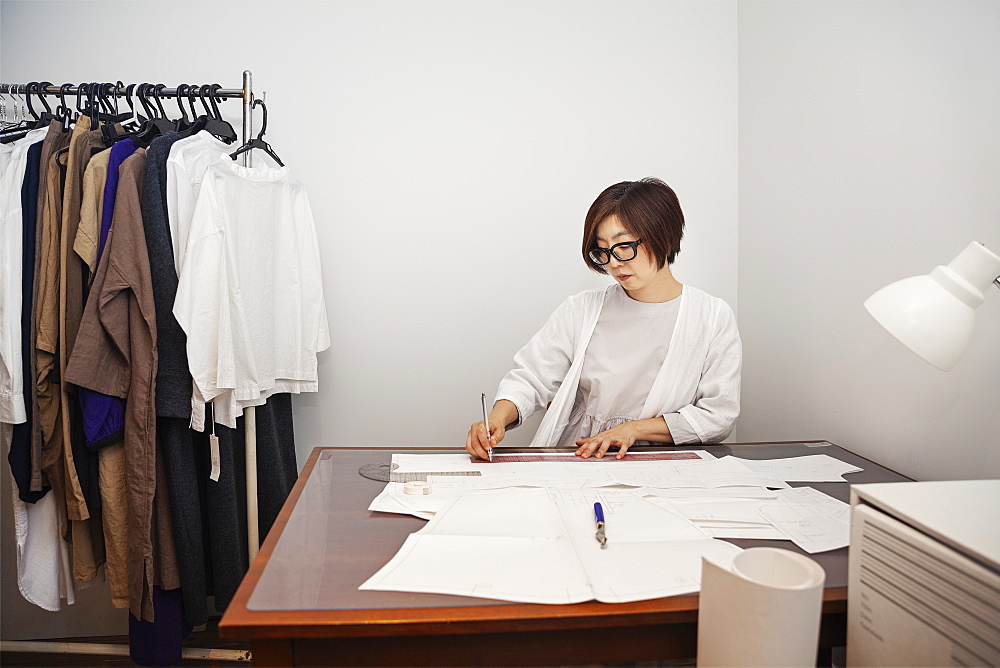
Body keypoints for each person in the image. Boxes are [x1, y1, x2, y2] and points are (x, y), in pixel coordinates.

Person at [466, 178, 741, 460]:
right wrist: (498, 417)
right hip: (580, 456)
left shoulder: (711, 317)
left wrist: (635, 430)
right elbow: (532, 377)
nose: (614, 262)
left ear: (664, 235)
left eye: (624, 246)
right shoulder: (581, 309)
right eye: (603, 250)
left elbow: (718, 415)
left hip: (662, 466)